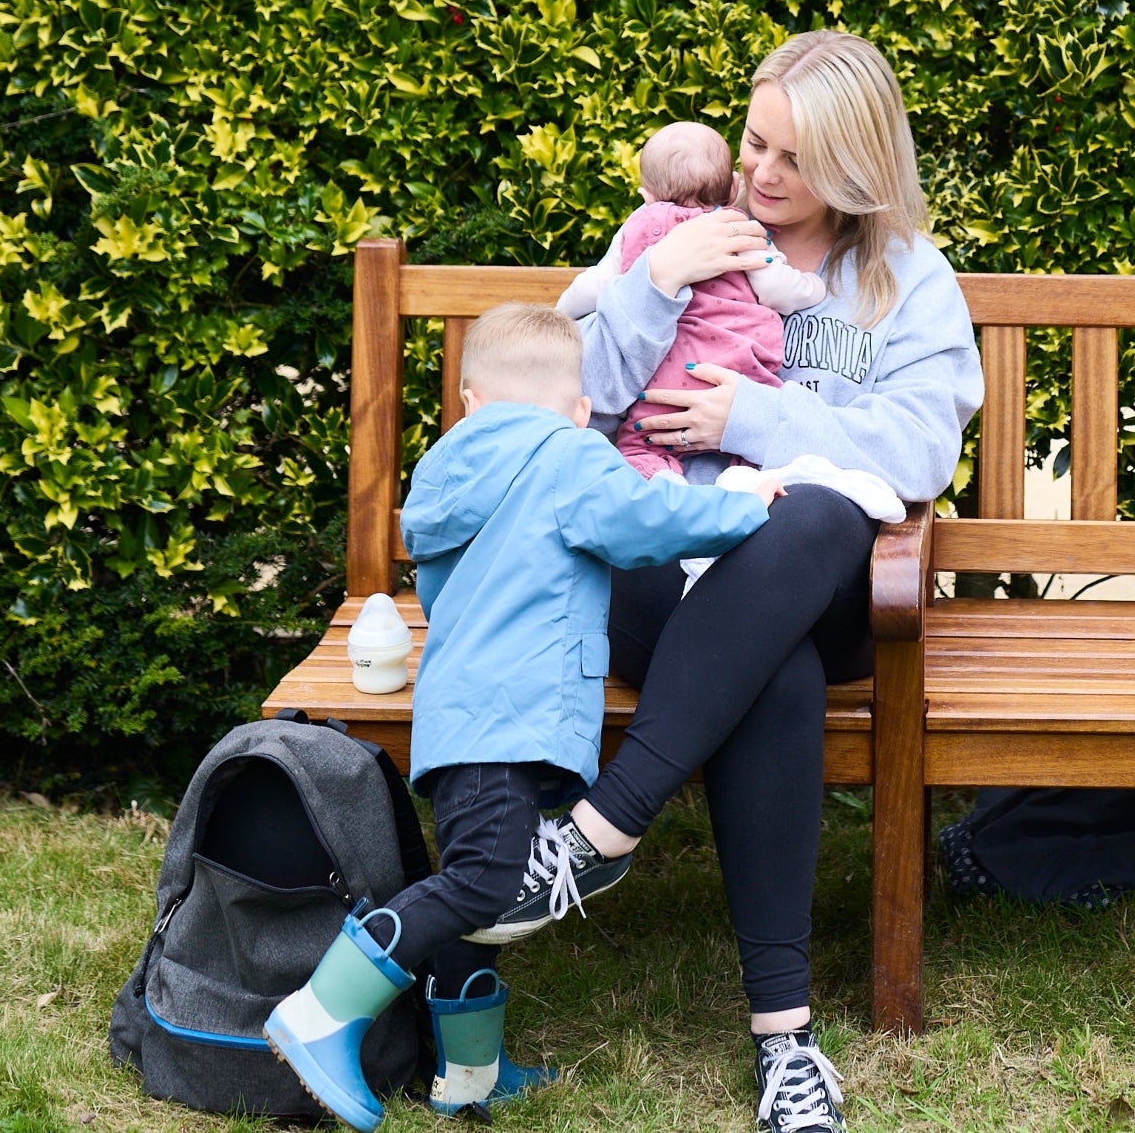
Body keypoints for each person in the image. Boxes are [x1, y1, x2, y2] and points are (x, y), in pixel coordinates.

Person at [482, 30, 982, 1133]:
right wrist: (653, 286)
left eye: (793, 161)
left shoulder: (907, 282)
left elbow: (913, 454)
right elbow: (570, 399)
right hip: (666, 571)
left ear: (856, 168)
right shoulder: (671, 234)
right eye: (756, 141)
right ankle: (786, 1040)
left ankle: (600, 828)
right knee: (777, 667)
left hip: (828, 578)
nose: (759, 174)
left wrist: (749, 419)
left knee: (813, 506)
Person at [263, 304, 784, 1133]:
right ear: (578, 409)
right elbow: (649, 524)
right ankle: (322, 1010)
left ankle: (469, 1076)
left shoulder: (444, 474)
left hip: (463, 712)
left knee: (480, 883)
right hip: (518, 713)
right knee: (485, 882)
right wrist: (747, 500)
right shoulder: (569, 455)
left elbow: (441, 592)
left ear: (470, 400)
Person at [559, 121, 828, 479]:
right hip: (735, 372)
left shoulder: (638, 227)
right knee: (751, 457)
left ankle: (660, 479)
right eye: (756, 144)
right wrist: (815, 287)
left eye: (792, 159)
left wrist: (562, 311)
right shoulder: (738, 228)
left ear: (646, 196)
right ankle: (743, 479)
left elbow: (595, 285)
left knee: (639, 445)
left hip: (660, 389)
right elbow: (777, 289)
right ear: (734, 188)